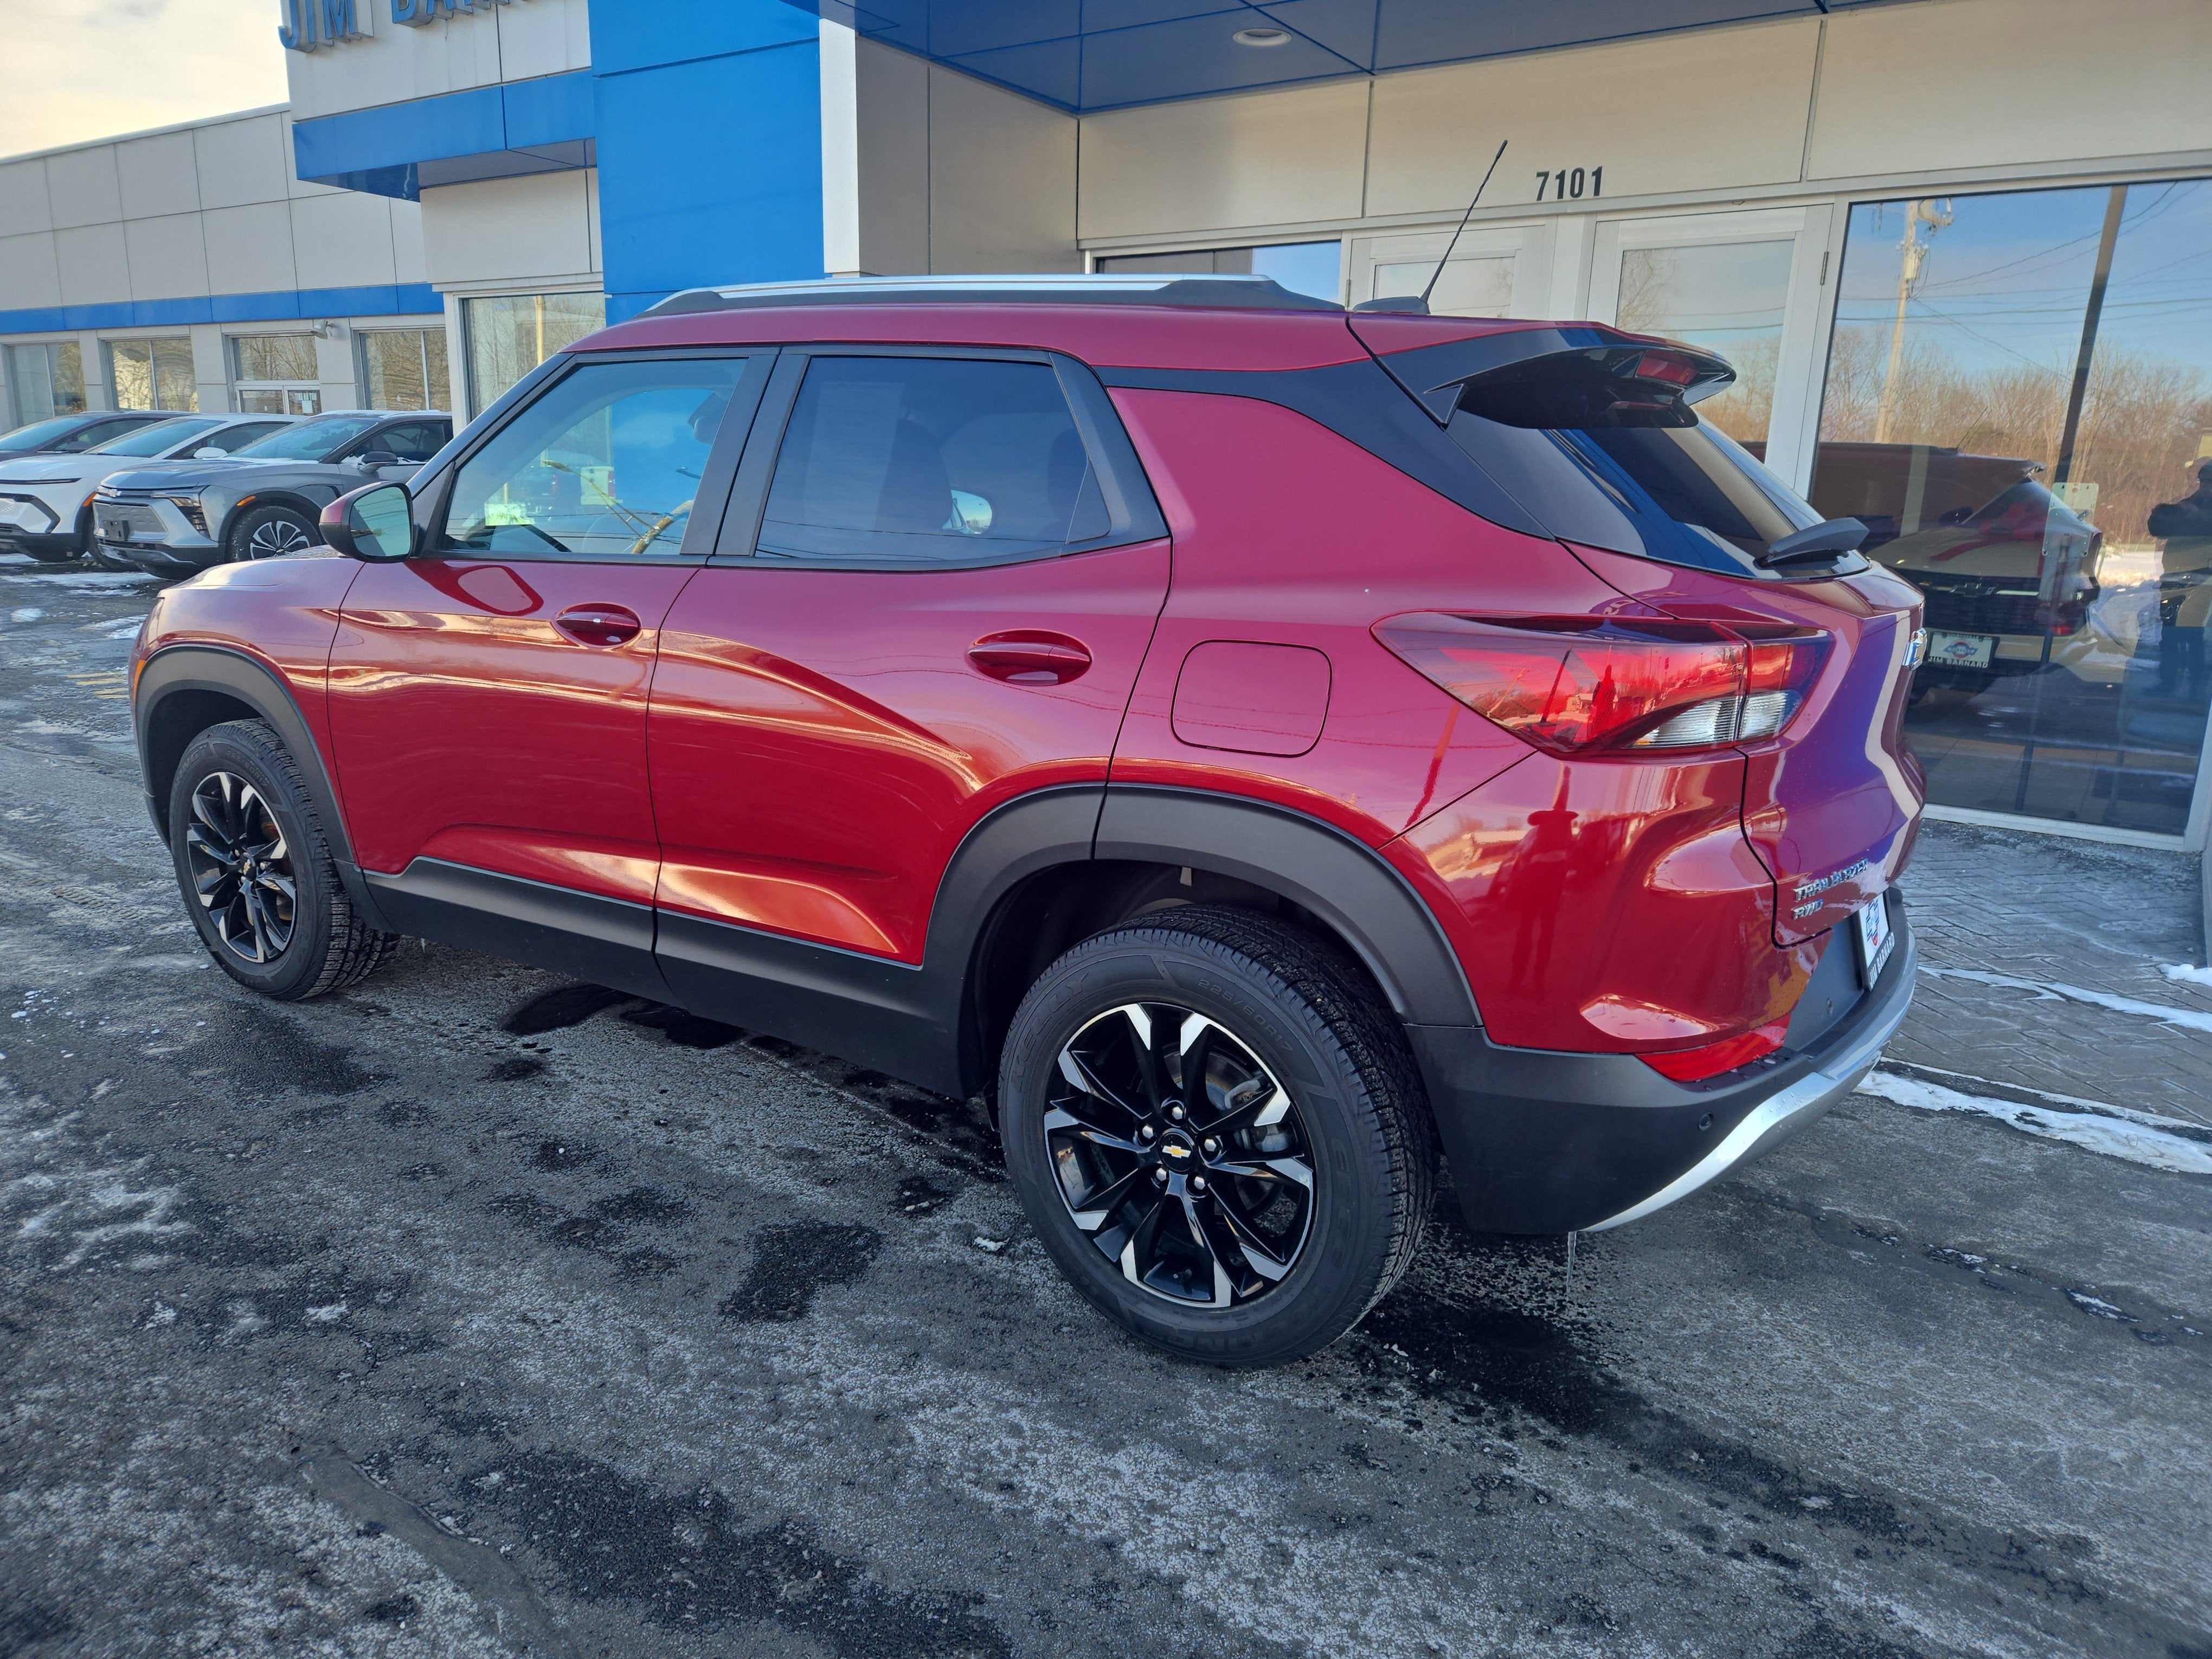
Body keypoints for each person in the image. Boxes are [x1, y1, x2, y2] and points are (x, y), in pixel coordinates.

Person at [2146, 459, 2212, 700]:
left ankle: (2195, 687)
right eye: (2203, 482)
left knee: (2192, 633)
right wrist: (2175, 513)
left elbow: (2202, 525)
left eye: (2210, 483)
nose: (2206, 487)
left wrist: (2188, 516)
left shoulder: (2195, 507)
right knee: (2170, 634)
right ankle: (2168, 682)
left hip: (2203, 577)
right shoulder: (2192, 503)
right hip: (2175, 575)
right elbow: (2157, 526)